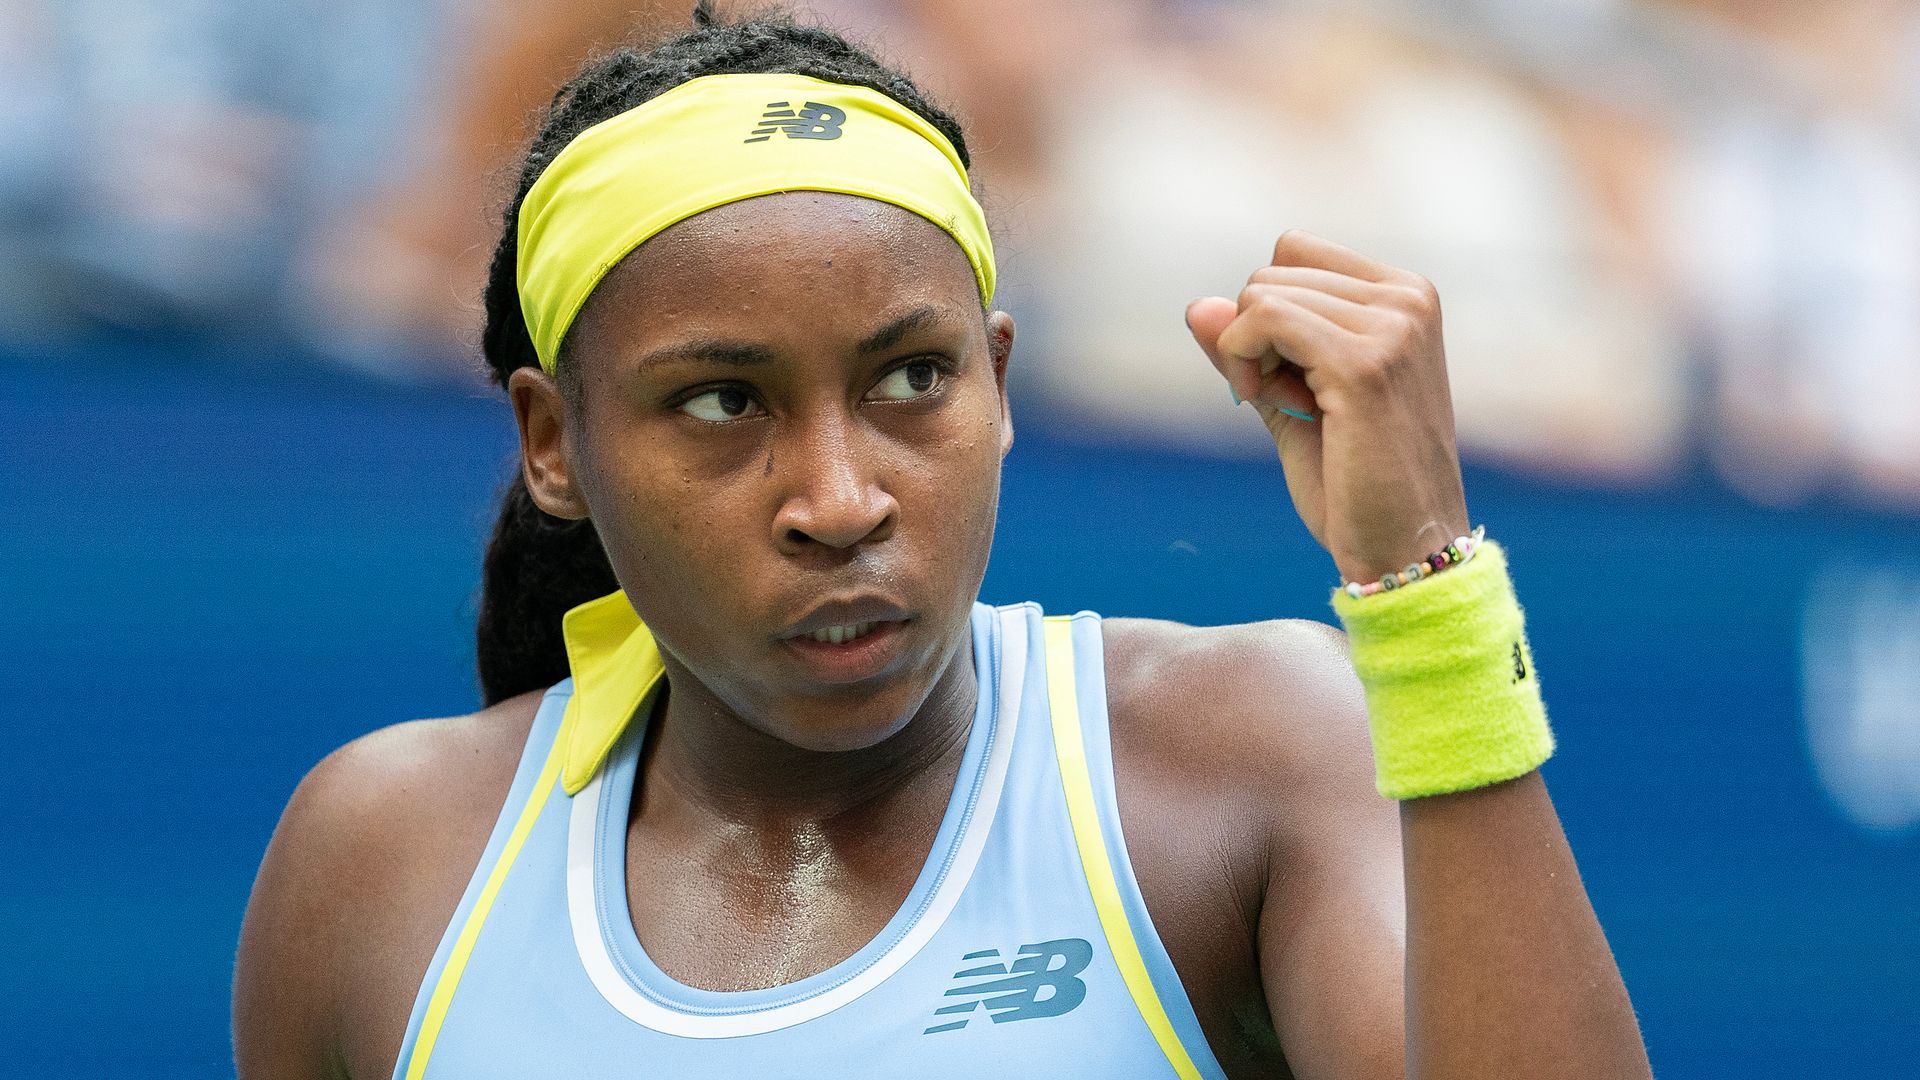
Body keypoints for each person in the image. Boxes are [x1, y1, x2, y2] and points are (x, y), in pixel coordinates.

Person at [233, 6, 1653, 1078]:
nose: (840, 498)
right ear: (555, 443)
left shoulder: (1251, 753)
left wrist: (1426, 594)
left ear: (1000, 378)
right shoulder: (377, 857)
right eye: (722, 402)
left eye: (913, 378)